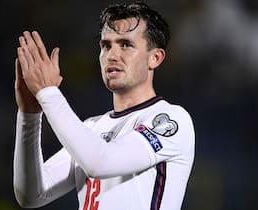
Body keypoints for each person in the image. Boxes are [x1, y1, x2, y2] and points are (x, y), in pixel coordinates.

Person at [13, 2, 195, 210]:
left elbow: (100, 162)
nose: (112, 55)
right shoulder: (92, 128)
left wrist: (48, 93)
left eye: (126, 44)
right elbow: (31, 195)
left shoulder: (171, 119)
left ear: (155, 58)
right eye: (106, 45)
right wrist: (29, 116)